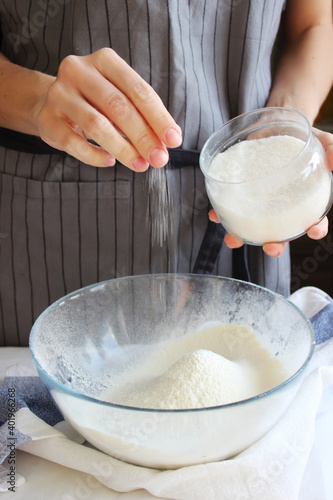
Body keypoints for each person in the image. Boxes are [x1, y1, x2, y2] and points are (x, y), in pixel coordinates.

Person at [0, 0, 332, 346]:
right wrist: (38, 100)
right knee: (37, 387)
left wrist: (285, 125)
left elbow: (313, 24)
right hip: (52, 234)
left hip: (245, 212)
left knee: (247, 377)